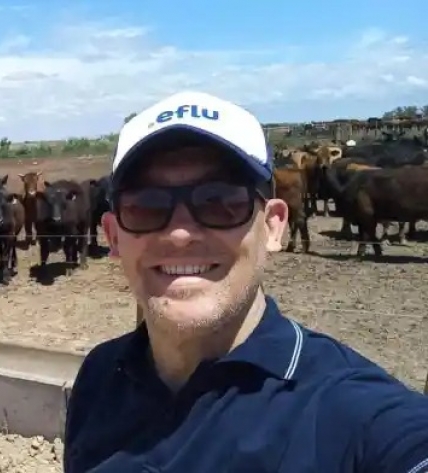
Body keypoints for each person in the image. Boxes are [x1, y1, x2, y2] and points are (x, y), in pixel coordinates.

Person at [63, 91, 428, 472]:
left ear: (273, 226)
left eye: (220, 202)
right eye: (146, 206)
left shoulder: (346, 410)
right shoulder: (100, 374)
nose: (180, 234)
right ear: (113, 237)